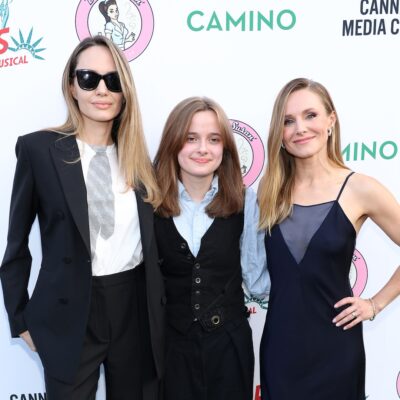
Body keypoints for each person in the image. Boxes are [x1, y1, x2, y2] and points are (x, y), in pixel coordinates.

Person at [0, 36, 165, 400]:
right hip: (69, 312)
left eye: (113, 80)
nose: (102, 90)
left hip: (133, 309)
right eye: (89, 78)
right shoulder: (39, 150)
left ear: (124, 91)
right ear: (72, 86)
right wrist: (20, 318)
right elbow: (16, 245)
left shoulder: (140, 161)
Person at [257, 77, 400, 399]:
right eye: (288, 121)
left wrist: (375, 304)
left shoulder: (361, 189)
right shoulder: (269, 190)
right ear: (279, 133)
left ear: (330, 121)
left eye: (310, 115)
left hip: (337, 349)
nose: (300, 128)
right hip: (280, 349)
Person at [153, 96, 269, 400]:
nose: (203, 148)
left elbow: (257, 279)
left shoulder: (245, 201)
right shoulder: (148, 201)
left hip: (229, 349)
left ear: (225, 148)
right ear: (173, 142)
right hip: (169, 349)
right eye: (191, 138)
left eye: (213, 139)